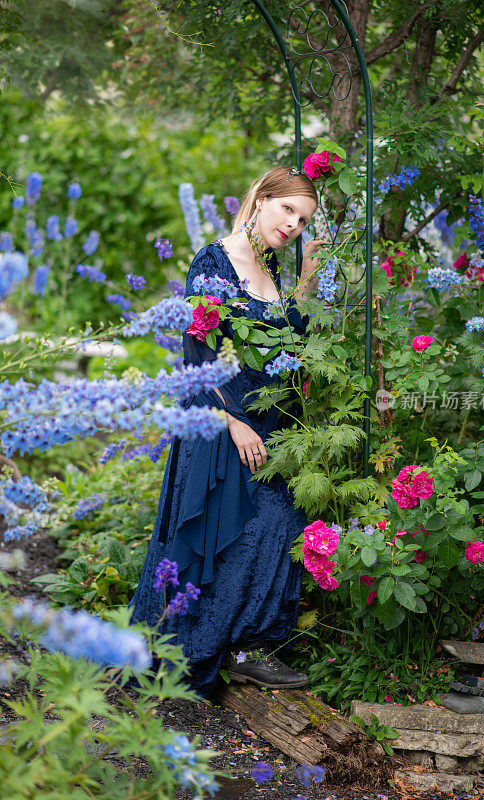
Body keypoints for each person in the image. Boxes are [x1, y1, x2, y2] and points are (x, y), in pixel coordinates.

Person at [129, 165, 329, 699]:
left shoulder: (272, 267)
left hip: (266, 424)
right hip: (220, 422)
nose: (293, 226)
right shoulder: (214, 261)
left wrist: (307, 276)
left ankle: (245, 650)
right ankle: (191, 651)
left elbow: (289, 341)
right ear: (261, 198)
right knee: (224, 540)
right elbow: (198, 354)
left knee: (278, 524)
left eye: (303, 220)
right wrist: (233, 422)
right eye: (287, 209)